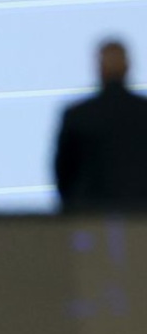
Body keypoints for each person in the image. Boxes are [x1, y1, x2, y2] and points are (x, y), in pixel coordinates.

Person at [54, 39, 147, 213]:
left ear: (99, 69)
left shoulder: (78, 116)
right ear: (128, 67)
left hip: (89, 221)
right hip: (141, 221)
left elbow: (64, 176)